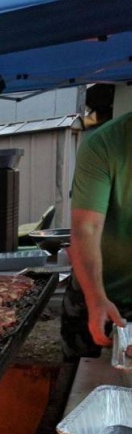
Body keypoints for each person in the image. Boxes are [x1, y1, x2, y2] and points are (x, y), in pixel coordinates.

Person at [60, 111, 132, 360]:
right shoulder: (104, 144)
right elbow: (86, 228)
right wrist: (96, 298)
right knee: (80, 375)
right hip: (96, 290)